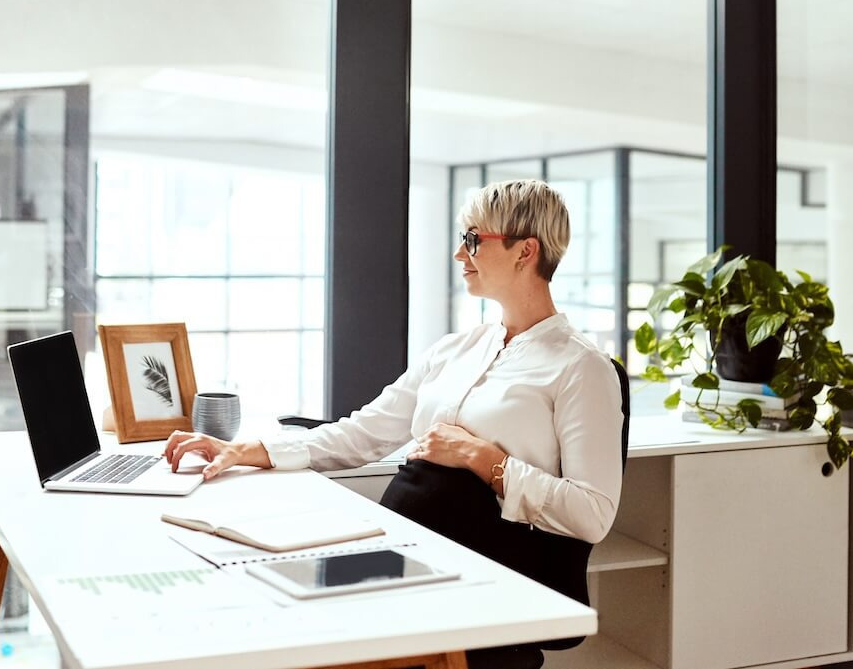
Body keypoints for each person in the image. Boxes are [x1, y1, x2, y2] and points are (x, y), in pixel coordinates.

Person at [164, 179, 623, 669]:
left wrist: (485, 460)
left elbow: (592, 513)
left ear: (524, 250)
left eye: (472, 240)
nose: (457, 254)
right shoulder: (456, 349)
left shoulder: (581, 368)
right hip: (404, 551)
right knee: (252, 589)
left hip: (477, 576)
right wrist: (246, 450)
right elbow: (365, 432)